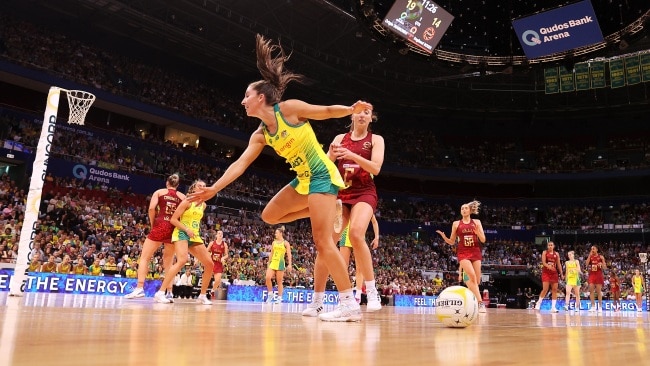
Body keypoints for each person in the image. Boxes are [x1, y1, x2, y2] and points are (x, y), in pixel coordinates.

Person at [188, 34, 371, 322]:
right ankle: (319, 207)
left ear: (260, 97)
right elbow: (240, 164)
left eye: (246, 96)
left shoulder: (288, 110)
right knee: (270, 215)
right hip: (304, 182)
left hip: (322, 174)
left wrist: (350, 109)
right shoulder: (260, 134)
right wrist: (214, 188)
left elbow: (323, 112)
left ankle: (349, 304)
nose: (242, 101)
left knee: (323, 242)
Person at [305, 106, 384, 314]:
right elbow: (324, 166)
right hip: (341, 193)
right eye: (358, 111)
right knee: (325, 244)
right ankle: (317, 301)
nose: (362, 114)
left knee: (357, 234)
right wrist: (330, 155)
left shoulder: (376, 140)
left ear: (370, 119)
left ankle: (372, 291)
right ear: (352, 115)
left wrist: (351, 154)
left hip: (364, 192)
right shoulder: (340, 137)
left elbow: (376, 168)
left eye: (366, 112)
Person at [125, 174, 184, 300]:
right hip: (173, 228)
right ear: (178, 185)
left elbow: (152, 208)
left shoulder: (159, 192)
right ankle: (169, 292)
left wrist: (153, 223)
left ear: (167, 183)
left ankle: (140, 288)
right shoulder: (182, 197)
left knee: (145, 258)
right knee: (169, 262)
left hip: (160, 225)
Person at [155, 180, 214, 305]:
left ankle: (202, 295)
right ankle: (160, 292)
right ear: (193, 188)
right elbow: (173, 219)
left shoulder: (203, 205)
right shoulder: (187, 201)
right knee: (182, 260)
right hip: (182, 232)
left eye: (204, 186)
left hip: (194, 235)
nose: (203, 188)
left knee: (209, 264)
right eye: (200, 186)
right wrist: (186, 229)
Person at [436, 200, 487, 313]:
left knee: (477, 281)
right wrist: (444, 238)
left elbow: (483, 239)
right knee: (472, 277)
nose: (464, 210)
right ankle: (480, 303)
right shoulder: (456, 224)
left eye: (466, 208)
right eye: (462, 208)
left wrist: (478, 232)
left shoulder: (477, 222)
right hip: (463, 252)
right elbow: (452, 241)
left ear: (470, 211)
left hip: (475, 251)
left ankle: (471, 299)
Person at [534, 241, 564, 312]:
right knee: (545, 289)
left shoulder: (556, 254)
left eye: (551, 245)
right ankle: (538, 303)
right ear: (547, 246)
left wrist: (561, 274)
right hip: (546, 273)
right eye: (549, 245)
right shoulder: (545, 252)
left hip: (554, 273)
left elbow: (559, 264)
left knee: (554, 290)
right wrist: (549, 266)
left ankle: (553, 307)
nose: (550, 246)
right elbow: (544, 262)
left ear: (554, 246)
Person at [265, 226, 292, 303]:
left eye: (276, 233)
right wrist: (268, 262)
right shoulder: (274, 242)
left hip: (280, 263)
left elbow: (289, 254)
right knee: (267, 277)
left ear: (280, 233)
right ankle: (270, 294)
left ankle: (279, 297)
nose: (275, 234)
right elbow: (271, 253)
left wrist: (289, 264)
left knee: (279, 281)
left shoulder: (286, 243)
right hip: (273, 262)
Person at [208, 230, 229, 298]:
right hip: (211, 262)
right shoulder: (212, 243)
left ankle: (212, 291)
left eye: (221, 234)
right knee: (207, 278)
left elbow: (227, 255)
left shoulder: (224, 244)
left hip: (218, 263)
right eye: (219, 233)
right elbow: (206, 251)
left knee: (217, 280)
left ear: (222, 236)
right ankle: (202, 294)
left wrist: (223, 258)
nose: (220, 234)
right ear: (216, 235)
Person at [586, 245, 606, 313]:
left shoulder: (600, 257)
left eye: (593, 249)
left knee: (598, 291)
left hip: (598, 275)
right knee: (591, 290)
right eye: (591, 249)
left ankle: (600, 307)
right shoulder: (590, 256)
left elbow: (605, 267)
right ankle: (593, 307)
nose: (592, 250)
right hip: (592, 274)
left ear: (597, 249)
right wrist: (589, 255)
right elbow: (586, 264)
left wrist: (602, 261)